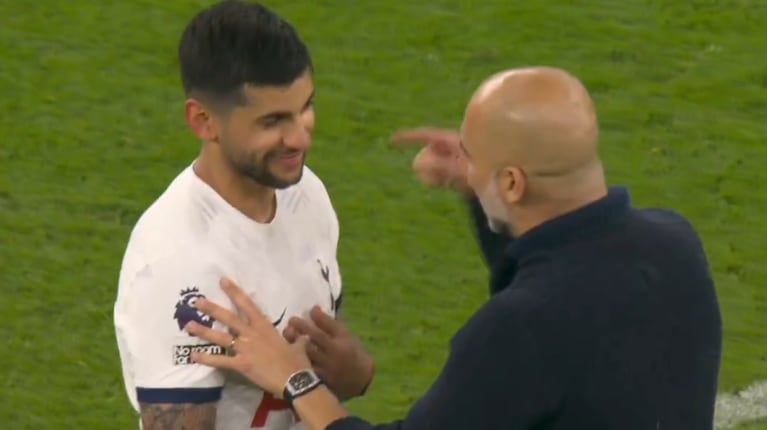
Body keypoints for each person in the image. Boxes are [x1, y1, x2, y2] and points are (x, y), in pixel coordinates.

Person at [183, 66, 724, 430]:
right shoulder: (675, 242)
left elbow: (543, 316)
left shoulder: (519, 329)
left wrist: (292, 376)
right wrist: (479, 190)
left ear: (513, 183)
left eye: (472, 154)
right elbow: (558, 277)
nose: (463, 161)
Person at [113, 1, 373, 429]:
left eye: (305, 107)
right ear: (204, 121)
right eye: (272, 121)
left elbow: (321, 374)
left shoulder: (306, 193)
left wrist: (354, 372)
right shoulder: (177, 262)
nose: (298, 137)